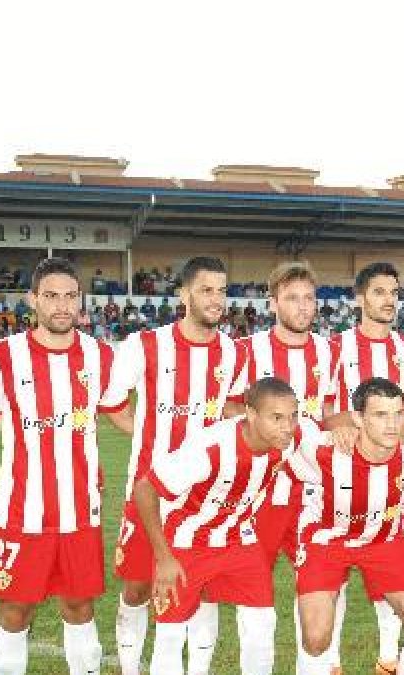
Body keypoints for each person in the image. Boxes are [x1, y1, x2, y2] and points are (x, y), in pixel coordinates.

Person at [0, 258, 129, 675]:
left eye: (70, 296)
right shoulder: (2, 356)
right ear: (32, 299)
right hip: (19, 514)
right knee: (16, 610)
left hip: (80, 513)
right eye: (51, 296)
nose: (61, 306)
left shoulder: (101, 356)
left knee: (79, 605)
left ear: (80, 302)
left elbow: (124, 417)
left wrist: (183, 428)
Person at [102, 257, 250, 675]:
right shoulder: (145, 345)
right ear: (184, 295)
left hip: (206, 498)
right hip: (148, 491)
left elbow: (235, 410)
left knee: (202, 591)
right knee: (136, 588)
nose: (217, 299)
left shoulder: (233, 353)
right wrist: (148, 437)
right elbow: (112, 404)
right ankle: (130, 668)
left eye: (222, 290)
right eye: (207, 290)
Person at [135, 377, 318, 675]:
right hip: (187, 542)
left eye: (293, 415)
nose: (288, 426)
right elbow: (145, 489)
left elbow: (327, 436)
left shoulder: (290, 438)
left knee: (262, 623)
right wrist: (164, 558)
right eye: (277, 418)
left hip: (238, 540)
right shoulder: (210, 448)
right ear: (251, 414)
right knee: (171, 634)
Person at [231, 262, 348, 673]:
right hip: (257, 496)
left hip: (311, 495)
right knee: (255, 604)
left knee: (321, 590)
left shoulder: (329, 351)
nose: (302, 307)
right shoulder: (245, 351)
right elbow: (231, 411)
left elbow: (331, 411)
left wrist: (345, 428)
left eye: (308, 298)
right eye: (292, 298)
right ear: (273, 302)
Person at [288, 378, 404, 675]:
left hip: (385, 541)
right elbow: (287, 439)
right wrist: (330, 429)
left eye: (398, 414)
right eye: (380, 415)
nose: (392, 425)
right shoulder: (322, 451)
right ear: (358, 418)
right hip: (326, 541)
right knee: (316, 638)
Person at [328, 262, 404, 672]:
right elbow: (321, 405)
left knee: (388, 562)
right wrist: (341, 423)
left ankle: (389, 658)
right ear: (360, 298)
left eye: (393, 292)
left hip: (393, 471)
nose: (388, 300)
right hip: (343, 472)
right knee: (337, 568)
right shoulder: (334, 348)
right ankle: (331, 661)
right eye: (379, 291)